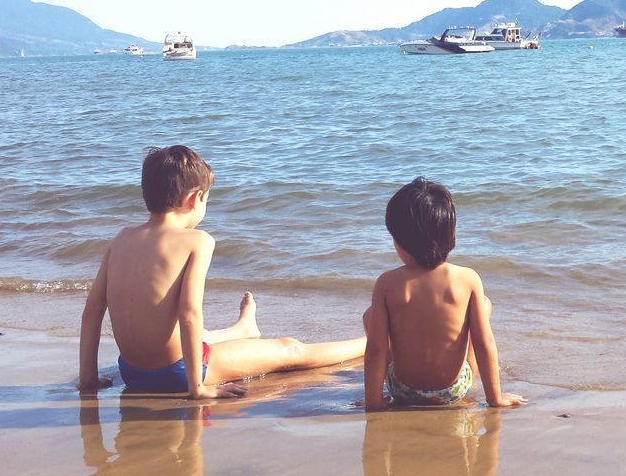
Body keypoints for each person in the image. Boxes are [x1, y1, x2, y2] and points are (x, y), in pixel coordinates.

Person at [77, 145, 366, 399]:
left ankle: (244, 330)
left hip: (132, 372)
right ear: (195, 198)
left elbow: (92, 312)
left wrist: (88, 379)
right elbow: (188, 314)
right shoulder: (198, 241)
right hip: (177, 375)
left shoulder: (121, 239)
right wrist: (197, 387)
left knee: (196, 334)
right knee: (289, 349)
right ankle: (370, 343)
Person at [363, 177, 526, 410]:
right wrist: (495, 398)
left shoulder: (387, 283)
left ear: (399, 243)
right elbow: (483, 342)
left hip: (403, 390)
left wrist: (373, 403)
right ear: (451, 235)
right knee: (483, 308)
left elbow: (377, 348)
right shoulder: (468, 279)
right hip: (454, 390)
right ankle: (470, 377)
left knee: (371, 317)